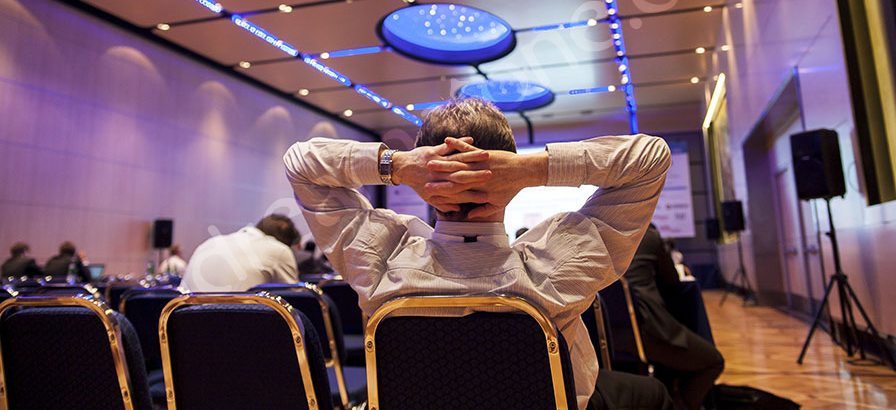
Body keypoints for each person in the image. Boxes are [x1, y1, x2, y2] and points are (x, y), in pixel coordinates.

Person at [284, 98, 673, 410]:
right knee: (650, 394)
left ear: (424, 177)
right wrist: (530, 170)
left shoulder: (378, 262)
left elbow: (300, 164)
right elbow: (650, 158)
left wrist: (397, 165)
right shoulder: (558, 266)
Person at [623, 223, 724, 410]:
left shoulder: (593, 236)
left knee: (667, 362)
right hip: (648, 328)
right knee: (713, 362)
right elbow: (671, 281)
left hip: (608, 336)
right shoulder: (644, 231)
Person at [182, 214, 300, 292]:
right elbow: (295, 299)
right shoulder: (279, 249)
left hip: (185, 325)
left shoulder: (208, 243)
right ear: (285, 242)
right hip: (240, 326)